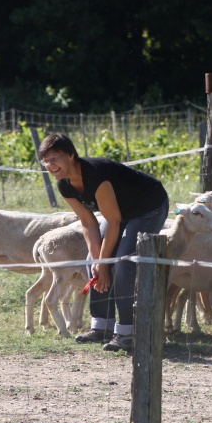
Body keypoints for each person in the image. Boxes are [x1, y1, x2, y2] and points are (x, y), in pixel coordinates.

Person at [37, 133, 169, 352]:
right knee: (92, 260)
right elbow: (88, 223)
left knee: (124, 264)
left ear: (70, 155)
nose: (50, 165)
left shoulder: (96, 175)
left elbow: (114, 221)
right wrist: (99, 262)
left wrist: (105, 263)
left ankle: (128, 332)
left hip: (148, 207)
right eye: (46, 161)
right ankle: (102, 327)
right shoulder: (65, 185)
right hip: (120, 213)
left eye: (55, 158)